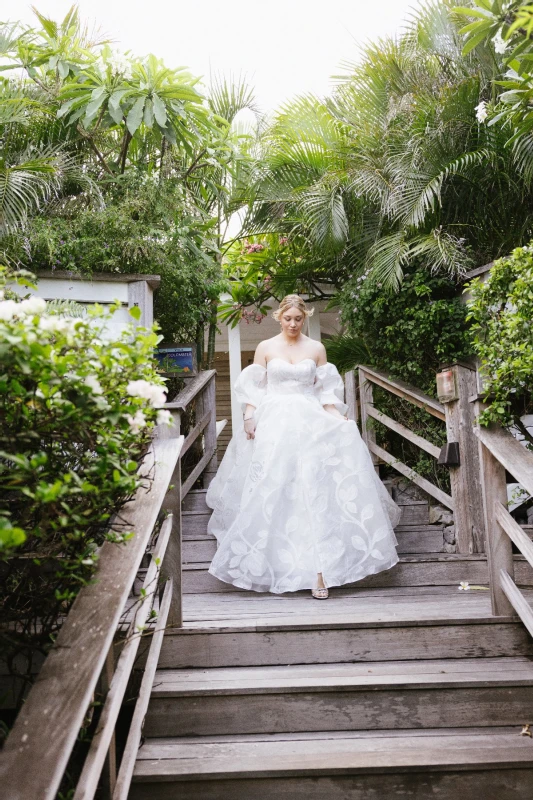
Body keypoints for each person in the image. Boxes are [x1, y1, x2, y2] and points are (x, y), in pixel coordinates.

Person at [205, 294, 400, 599]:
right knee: (275, 483)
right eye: (288, 319)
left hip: (311, 421)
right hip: (275, 421)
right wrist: (249, 417)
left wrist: (340, 419)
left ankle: (320, 571)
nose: (293, 324)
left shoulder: (317, 349)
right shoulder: (265, 347)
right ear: (279, 318)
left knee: (314, 488)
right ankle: (273, 563)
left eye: (298, 319)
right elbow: (254, 389)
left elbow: (326, 392)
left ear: (305, 318)